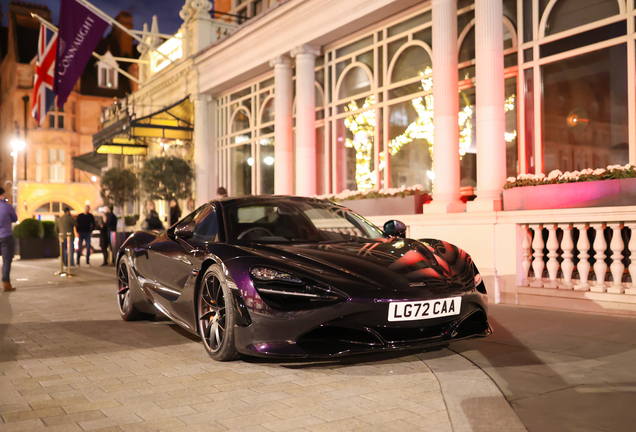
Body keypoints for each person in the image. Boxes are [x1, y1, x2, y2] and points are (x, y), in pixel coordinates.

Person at [0, 188, 17, 292]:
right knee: (6, 260)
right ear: (3, 194)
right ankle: (6, 283)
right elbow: (15, 218)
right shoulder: (7, 206)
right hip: (6, 236)